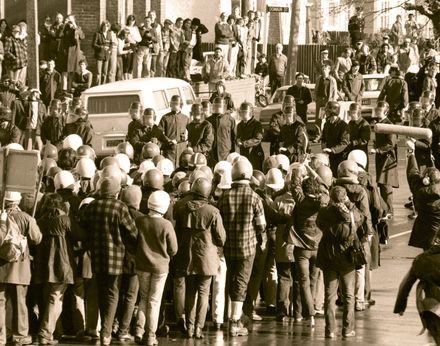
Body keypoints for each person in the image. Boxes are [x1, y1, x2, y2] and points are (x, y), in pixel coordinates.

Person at [80, 177, 138, 346]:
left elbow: (82, 224)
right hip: (116, 259)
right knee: (113, 295)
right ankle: (106, 334)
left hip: (96, 257)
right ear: (116, 192)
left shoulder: (92, 206)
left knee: (101, 293)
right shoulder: (120, 207)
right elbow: (133, 233)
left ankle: (102, 329)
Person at [217, 159, 266, 337]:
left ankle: (230, 315)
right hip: (247, 247)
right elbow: (261, 225)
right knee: (241, 283)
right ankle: (235, 320)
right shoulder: (255, 197)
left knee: (231, 281)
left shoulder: (224, 197)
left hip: (228, 246)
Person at [176, 178, 226, 338]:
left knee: (190, 292)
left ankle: (189, 327)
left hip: (187, 257)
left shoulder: (183, 209)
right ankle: (199, 327)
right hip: (207, 258)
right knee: (204, 293)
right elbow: (221, 238)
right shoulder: (213, 211)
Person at [34, 193, 84, 344]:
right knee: (56, 298)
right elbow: (80, 235)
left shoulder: (40, 221)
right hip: (61, 264)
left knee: (48, 297)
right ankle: (45, 333)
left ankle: (55, 333)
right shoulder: (64, 219)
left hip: (43, 264)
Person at [316, 185, 364, 339]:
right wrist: (349, 204)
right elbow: (361, 219)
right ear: (345, 198)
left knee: (329, 296)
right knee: (349, 295)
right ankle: (348, 329)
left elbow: (319, 224)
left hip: (329, 257)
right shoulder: (351, 214)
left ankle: (330, 330)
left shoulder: (325, 212)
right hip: (346, 259)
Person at [135, 190, 177, 346]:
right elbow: (174, 249)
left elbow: (134, 242)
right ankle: (150, 335)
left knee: (143, 298)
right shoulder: (166, 225)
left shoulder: (140, 221)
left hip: (142, 265)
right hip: (160, 268)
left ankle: (139, 330)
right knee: (154, 301)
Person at [0, 191, 42, 346]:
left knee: (0, 303)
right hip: (20, 268)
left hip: (1, 268)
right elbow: (37, 239)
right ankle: (20, 336)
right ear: (18, 201)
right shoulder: (25, 217)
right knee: (20, 303)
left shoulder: (0, 217)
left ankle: (1, 337)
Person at [370, 101, 398, 217]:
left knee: (386, 184)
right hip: (381, 158)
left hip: (388, 158)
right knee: (381, 183)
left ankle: (389, 210)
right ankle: (385, 209)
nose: (377, 112)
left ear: (386, 111)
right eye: (377, 110)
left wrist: (377, 150)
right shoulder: (379, 123)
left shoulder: (388, 125)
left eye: (379, 110)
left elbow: (391, 144)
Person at [158, 95, 190, 165]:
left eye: (176, 104)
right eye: (173, 104)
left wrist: (187, 139)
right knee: (169, 168)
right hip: (169, 149)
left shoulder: (185, 118)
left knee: (181, 168)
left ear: (180, 105)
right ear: (170, 104)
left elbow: (191, 131)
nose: (174, 106)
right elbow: (159, 132)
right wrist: (168, 140)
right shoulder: (165, 118)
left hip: (182, 149)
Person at [321, 101, 350, 176]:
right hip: (329, 156)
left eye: (327, 110)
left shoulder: (343, 125)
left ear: (332, 111)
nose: (325, 112)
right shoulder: (326, 124)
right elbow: (323, 138)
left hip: (340, 157)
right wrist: (324, 146)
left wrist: (332, 150)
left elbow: (344, 143)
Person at [206, 97, 236, 166]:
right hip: (213, 151)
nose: (218, 108)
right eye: (216, 106)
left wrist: (233, 153)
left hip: (225, 151)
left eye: (219, 106)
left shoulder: (230, 120)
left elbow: (234, 137)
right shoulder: (208, 120)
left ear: (223, 107)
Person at [236, 102, 265, 171]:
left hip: (255, 155)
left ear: (250, 113)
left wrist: (244, 143)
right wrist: (237, 140)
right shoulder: (239, 125)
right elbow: (238, 136)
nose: (243, 114)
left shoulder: (257, 124)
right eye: (241, 112)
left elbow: (257, 139)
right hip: (243, 154)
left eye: (245, 112)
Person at [315, 64, 338, 129]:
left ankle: (328, 132)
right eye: (322, 69)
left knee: (329, 117)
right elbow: (316, 88)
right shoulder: (319, 78)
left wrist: (333, 100)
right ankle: (318, 134)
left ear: (329, 70)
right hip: (320, 100)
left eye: (325, 69)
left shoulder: (332, 80)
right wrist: (316, 97)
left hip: (328, 101)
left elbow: (335, 91)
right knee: (319, 118)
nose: (323, 71)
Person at [93, 21, 111, 86]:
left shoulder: (109, 34)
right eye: (104, 26)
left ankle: (103, 86)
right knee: (98, 72)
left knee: (105, 72)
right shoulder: (98, 34)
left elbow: (111, 43)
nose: (106, 28)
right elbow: (94, 45)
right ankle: (98, 86)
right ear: (102, 26)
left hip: (107, 55)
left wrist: (110, 50)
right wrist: (102, 47)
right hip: (99, 55)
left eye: (107, 26)